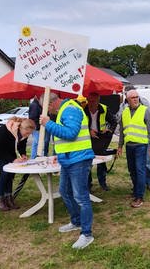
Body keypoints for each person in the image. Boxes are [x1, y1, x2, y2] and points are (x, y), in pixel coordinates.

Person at [39, 92, 95, 249]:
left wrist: (48, 123)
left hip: (78, 159)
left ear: (50, 104)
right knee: (65, 192)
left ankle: (87, 234)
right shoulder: (66, 110)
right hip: (69, 159)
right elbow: (64, 136)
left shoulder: (70, 109)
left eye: (47, 109)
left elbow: (71, 134)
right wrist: (60, 154)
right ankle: (76, 222)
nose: (48, 112)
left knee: (81, 197)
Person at [0, 117, 35, 211]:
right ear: (21, 128)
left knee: (10, 173)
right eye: (27, 133)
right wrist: (13, 159)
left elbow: (22, 145)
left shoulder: (23, 133)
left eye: (29, 134)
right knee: (4, 172)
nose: (28, 135)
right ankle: (0, 199)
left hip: (7, 152)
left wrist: (23, 154)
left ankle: (9, 197)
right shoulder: (4, 132)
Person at [117, 89, 150, 208]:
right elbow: (122, 131)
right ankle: (136, 190)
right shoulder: (124, 112)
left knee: (140, 170)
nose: (135, 99)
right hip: (129, 146)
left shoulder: (145, 110)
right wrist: (120, 146)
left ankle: (139, 196)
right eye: (132, 97)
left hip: (141, 145)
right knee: (132, 170)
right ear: (127, 100)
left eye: (136, 97)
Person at [84, 92, 117, 191]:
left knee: (101, 161)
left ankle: (102, 182)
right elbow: (80, 125)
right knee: (87, 161)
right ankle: (88, 184)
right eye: (89, 101)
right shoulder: (83, 109)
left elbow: (114, 122)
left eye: (93, 101)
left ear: (98, 101)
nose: (90, 103)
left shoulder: (104, 109)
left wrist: (109, 130)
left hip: (101, 138)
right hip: (88, 138)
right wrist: (88, 131)